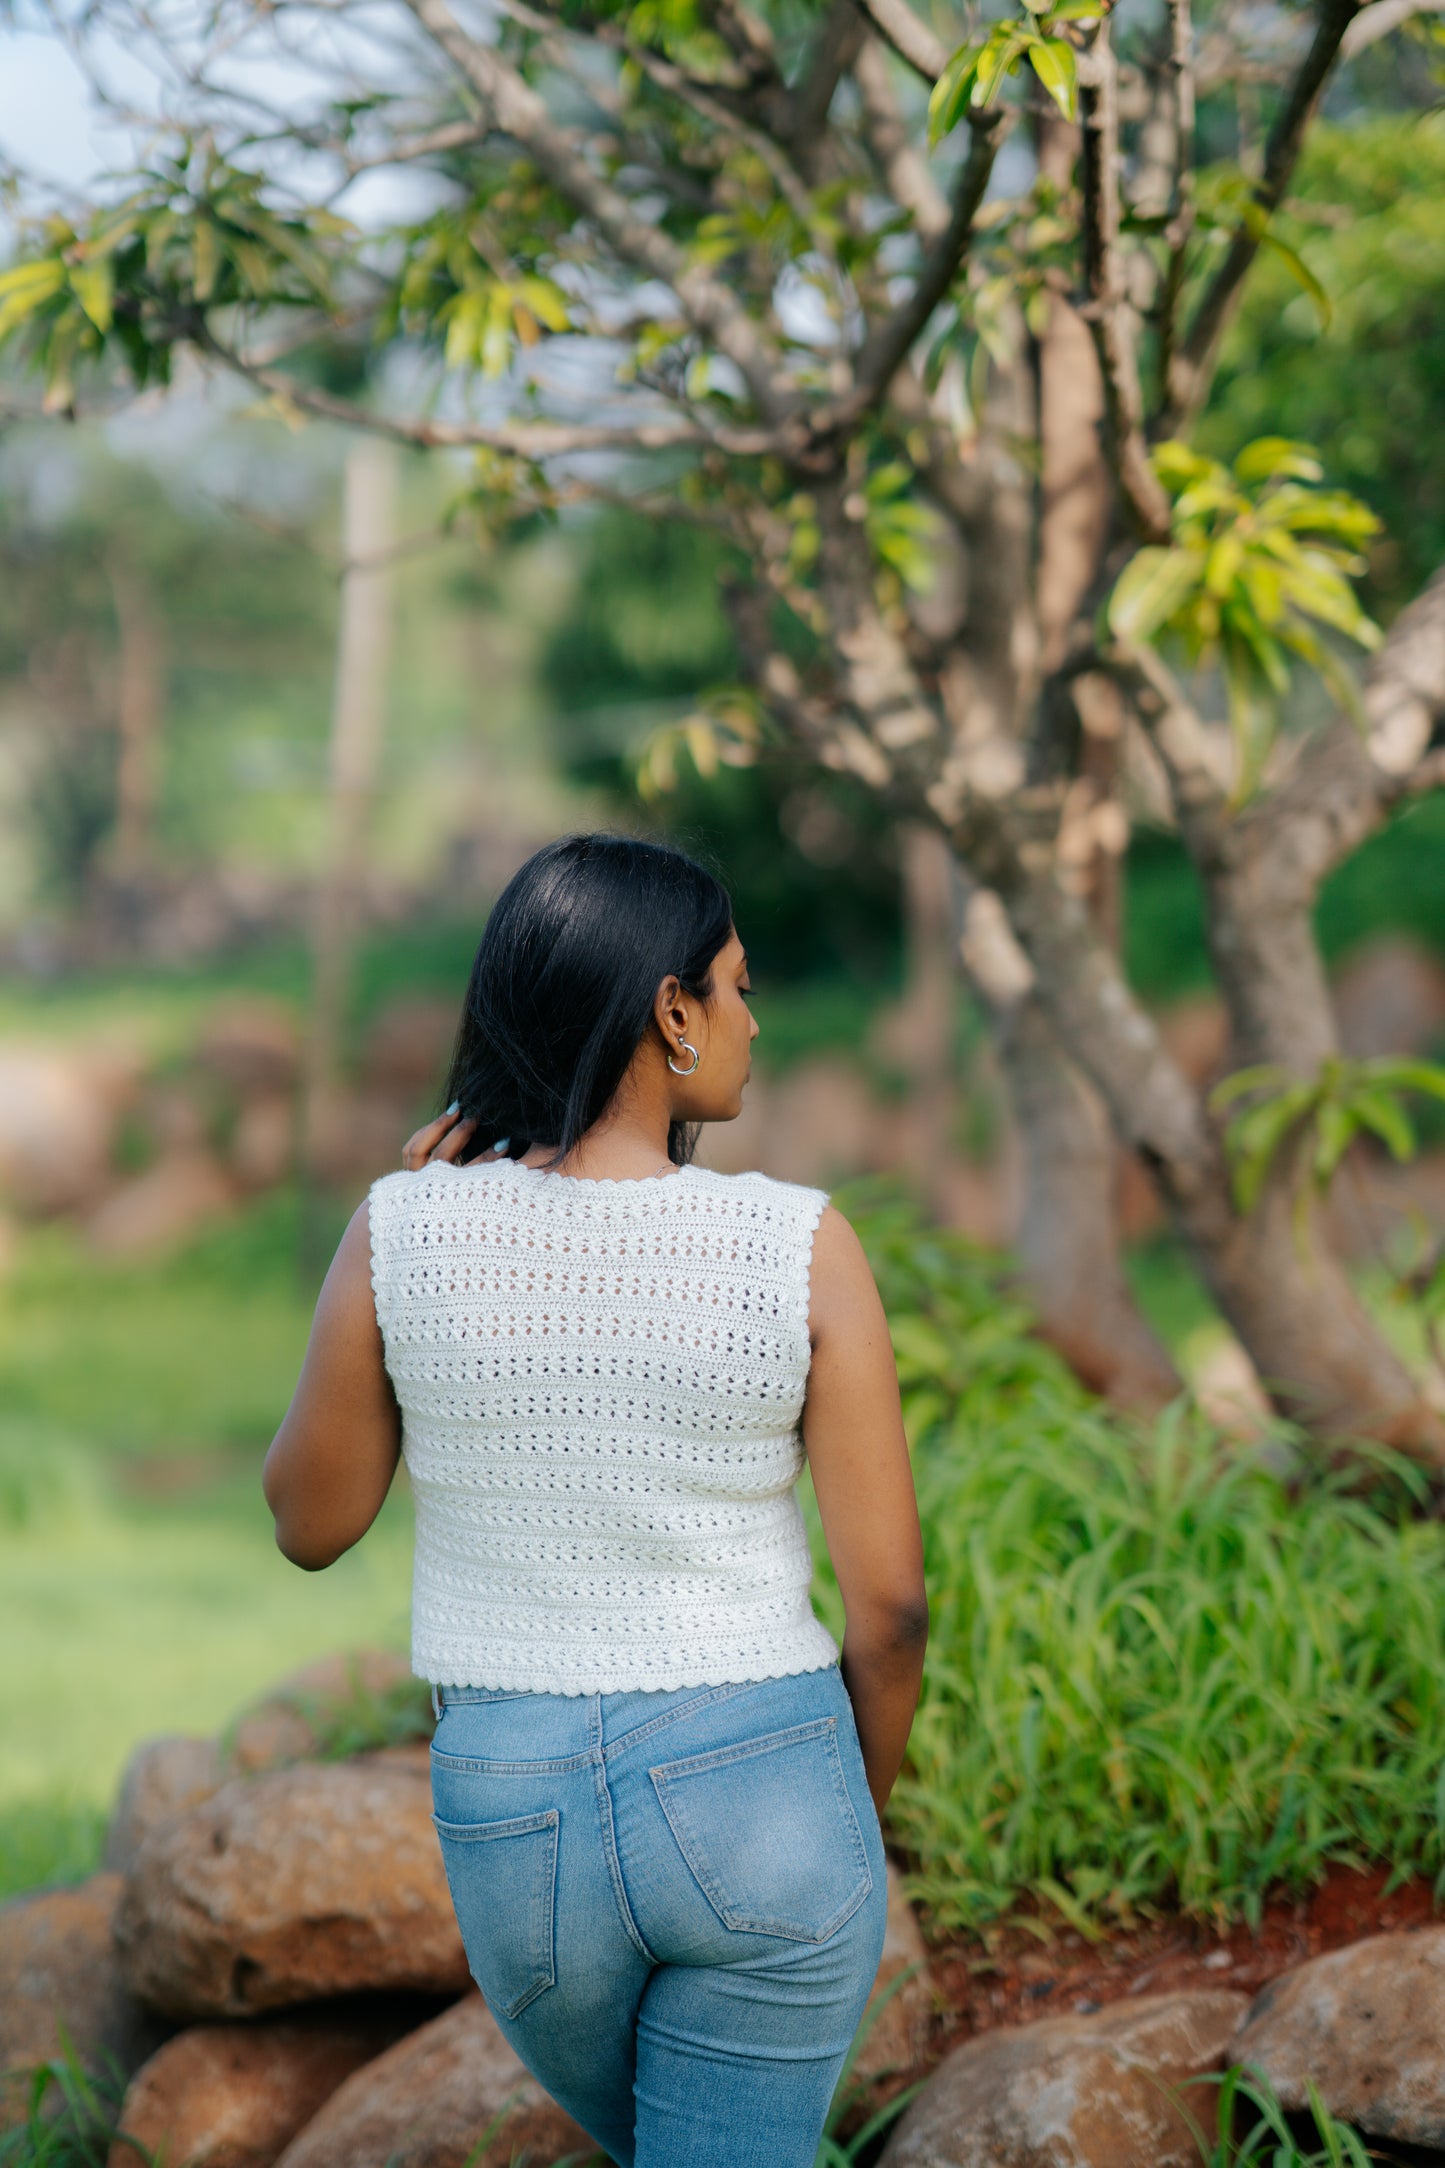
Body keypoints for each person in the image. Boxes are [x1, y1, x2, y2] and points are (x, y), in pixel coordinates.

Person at [262, 832, 928, 2168]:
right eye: (735, 986)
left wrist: (402, 1239)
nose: (752, 1017)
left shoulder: (405, 1227)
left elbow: (309, 1521)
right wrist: (852, 1806)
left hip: (517, 1815)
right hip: (769, 1791)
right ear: (669, 1012)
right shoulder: (796, 1245)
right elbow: (892, 1609)